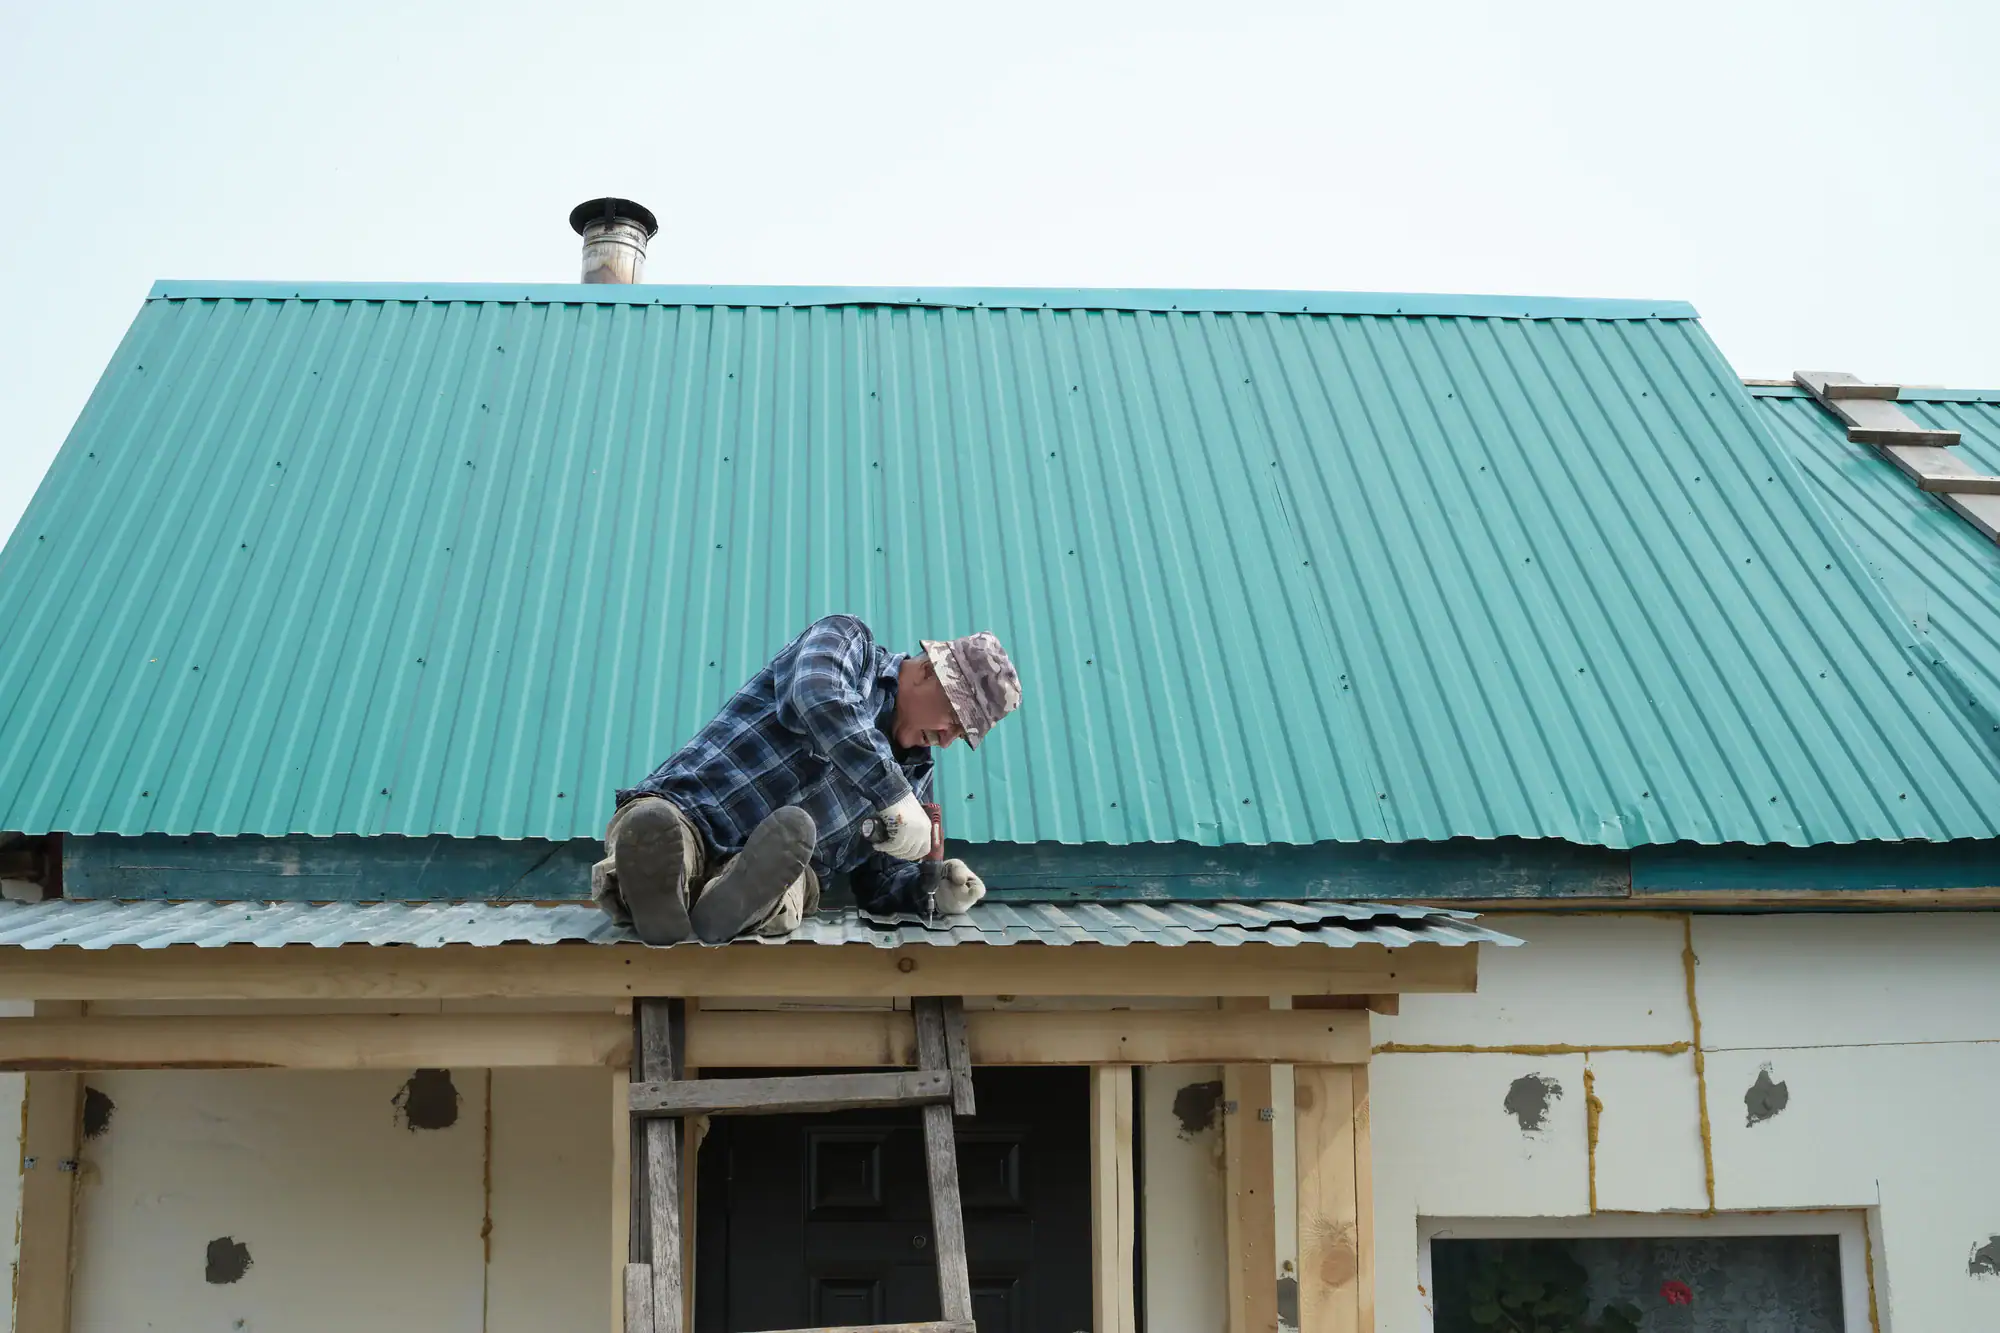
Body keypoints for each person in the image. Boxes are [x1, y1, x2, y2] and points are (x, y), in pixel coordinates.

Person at [593, 615, 1022, 945]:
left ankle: (728, 902)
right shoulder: (848, 642)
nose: (947, 740)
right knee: (660, 827)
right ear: (928, 670)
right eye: (954, 718)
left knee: (790, 883)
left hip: (780, 873)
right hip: (694, 809)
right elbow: (817, 693)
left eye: (962, 736)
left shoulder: (916, 777)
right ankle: (658, 884)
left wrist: (931, 887)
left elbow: (880, 884)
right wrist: (891, 791)